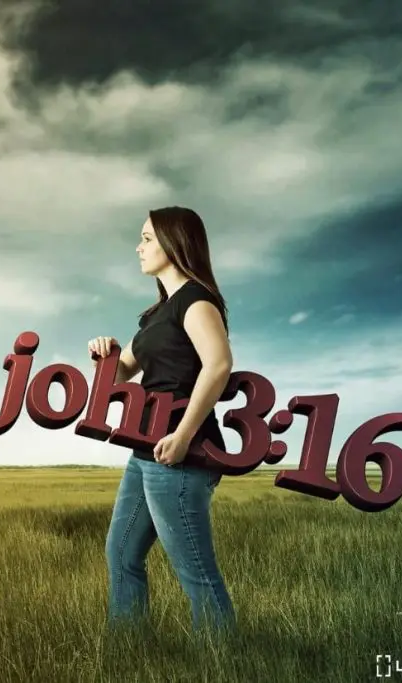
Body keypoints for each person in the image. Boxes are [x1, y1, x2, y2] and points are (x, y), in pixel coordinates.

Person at [89, 206, 235, 634]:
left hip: (181, 454)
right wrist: (106, 351)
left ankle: (222, 666)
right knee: (121, 555)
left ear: (174, 243)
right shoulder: (156, 315)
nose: (139, 246)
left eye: (148, 238)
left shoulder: (196, 300)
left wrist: (183, 435)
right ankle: (130, 652)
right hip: (145, 450)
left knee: (196, 574)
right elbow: (119, 375)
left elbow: (219, 364)